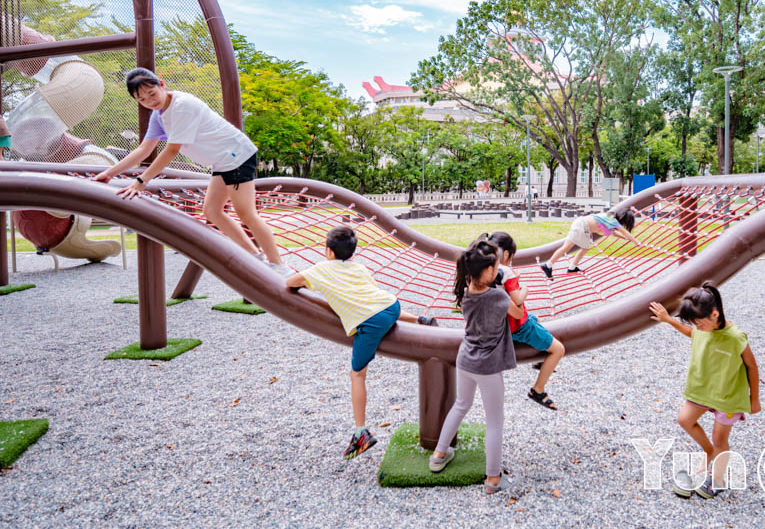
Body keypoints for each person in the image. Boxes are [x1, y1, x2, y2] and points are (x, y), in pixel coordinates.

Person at [93, 68, 291, 276]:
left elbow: (172, 150)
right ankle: (253, 256)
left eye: (152, 93)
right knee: (212, 211)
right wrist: (109, 173)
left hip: (236, 155)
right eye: (142, 99)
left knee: (246, 213)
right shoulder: (158, 116)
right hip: (222, 161)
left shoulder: (182, 105)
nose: (150, 101)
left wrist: (141, 182)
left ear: (162, 84)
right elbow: (143, 150)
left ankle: (279, 265)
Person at [286, 226, 436, 459]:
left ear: (328, 251)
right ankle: (420, 319)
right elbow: (371, 296)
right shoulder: (360, 268)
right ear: (352, 252)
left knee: (357, 374)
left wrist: (308, 280)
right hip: (391, 305)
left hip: (371, 321)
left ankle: (361, 432)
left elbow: (290, 283)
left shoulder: (319, 270)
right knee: (382, 307)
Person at [648, 283, 761, 499]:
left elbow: (752, 366)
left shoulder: (735, 337)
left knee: (720, 438)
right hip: (703, 388)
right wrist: (669, 320)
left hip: (728, 396)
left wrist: (754, 399)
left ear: (715, 314)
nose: (697, 328)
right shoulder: (702, 329)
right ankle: (710, 453)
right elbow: (692, 333)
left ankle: (717, 480)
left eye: (699, 323)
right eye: (694, 324)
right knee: (684, 419)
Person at [428, 238, 523, 494]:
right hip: (489, 367)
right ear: (487, 272)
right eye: (494, 267)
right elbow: (518, 313)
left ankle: (438, 455)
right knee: (494, 421)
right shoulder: (499, 297)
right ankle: (493, 479)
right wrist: (521, 292)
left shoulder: (466, 294)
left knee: (461, 405)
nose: (498, 269)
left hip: (466, 359)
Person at [486, 231, 565, 410]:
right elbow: (518, 299)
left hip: (499, 325)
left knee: (534, 319)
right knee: (558, 350)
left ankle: (538, 361)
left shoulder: (486, 269)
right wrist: (525, 287)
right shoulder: (505, 270)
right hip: (517, 327)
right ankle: (538, 389)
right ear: (506, 254)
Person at [539, 209, 640, 278]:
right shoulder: (613, 221)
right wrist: (636, 242)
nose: (623, 225)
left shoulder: (610, 217)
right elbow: (624, 231)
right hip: (582, 226)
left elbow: (614, 233)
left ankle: (569, 267)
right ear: (623, 220)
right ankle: (550, 265)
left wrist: (624, 238)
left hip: (581, 224)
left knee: (581, 248)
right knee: (569, 247)